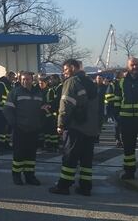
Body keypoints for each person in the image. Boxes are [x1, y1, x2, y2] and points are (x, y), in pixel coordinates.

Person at [49, 59, 100, 196]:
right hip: (91, 128)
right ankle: (85, 187)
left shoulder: (71, 82)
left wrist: (60, 124)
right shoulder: (90, 82)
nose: (64, 73)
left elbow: (66, 104)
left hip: (76, 127)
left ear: (72, 68)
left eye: (65, 69)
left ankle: (63, 186)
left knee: (69, 157)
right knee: (86, 160)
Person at [4, 71, 47, 186]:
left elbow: (44, 108)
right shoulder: (15, 92)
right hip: (20, 129)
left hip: (34, 129)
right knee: (18, 154)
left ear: (32, 80)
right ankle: (16, 176)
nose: (25, 81)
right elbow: (8, 110)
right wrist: (14, 125)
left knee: (31, 155)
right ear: (20, 80)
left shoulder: (39, 93)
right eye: (23, 79)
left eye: (27, 79)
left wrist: (40, 122)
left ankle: (30, 176)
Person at [39, 75, 59, 151]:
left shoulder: (50, 91)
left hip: (50, 114)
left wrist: (47, 107)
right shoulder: (40, 91)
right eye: (40, 83)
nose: (40, 85)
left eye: (42, 83)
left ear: (46, 83)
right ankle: (48, 144)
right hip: (43, 114)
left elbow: (52, 103)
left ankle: (54, 145)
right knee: (46, 131)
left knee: (52, 131)